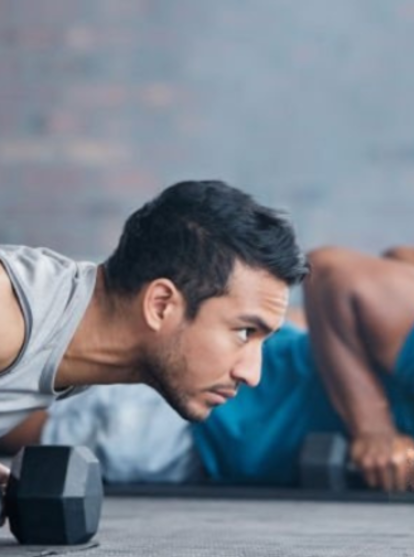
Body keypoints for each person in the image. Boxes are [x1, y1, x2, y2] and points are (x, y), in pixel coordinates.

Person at [13, 245, 414, 493]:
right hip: (195, 413)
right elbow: (328, 268)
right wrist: (373, 428)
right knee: (24, 418)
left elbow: (403, 258)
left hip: (236, 471)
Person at [0, 180, 309, 482]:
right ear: (161, 305)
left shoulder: (71, 348)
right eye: (244, 332)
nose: (252, 374)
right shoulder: (10, 313)